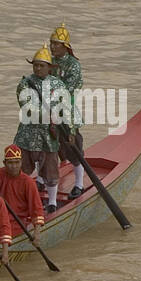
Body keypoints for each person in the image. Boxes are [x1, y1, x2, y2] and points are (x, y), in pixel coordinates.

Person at [15, 46, 74, 214]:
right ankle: (21, 201)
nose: (38, 68)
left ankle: (52, 202)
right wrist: (49, 115)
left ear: (49, 67)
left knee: (50, 170)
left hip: (49, 136)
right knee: (22, 171)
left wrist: (70, 130)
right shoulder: (25, 83)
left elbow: (66, 109)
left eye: (41, 65)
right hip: (27, 135)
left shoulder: (58, 84)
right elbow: (27, 107)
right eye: (36, 65)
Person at [49, 23, 87, 200]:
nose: (53, 47)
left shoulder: (73, 65)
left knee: (73, 148)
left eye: (56, 44)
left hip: (66, 110)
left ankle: (79, 183)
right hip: (47, 110)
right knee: (46, 145)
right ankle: (42, 179)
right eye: (52, 43)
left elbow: (67, 89)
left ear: (66, 47)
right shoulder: (49, 61)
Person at [0, 144, 46, 239]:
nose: (14, 166)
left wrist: (36, 234)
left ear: (21, 162)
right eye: (10, 163)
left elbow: (36, 209)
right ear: (4, 163)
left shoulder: (28, 182)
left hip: (16, 222)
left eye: (17, 162)